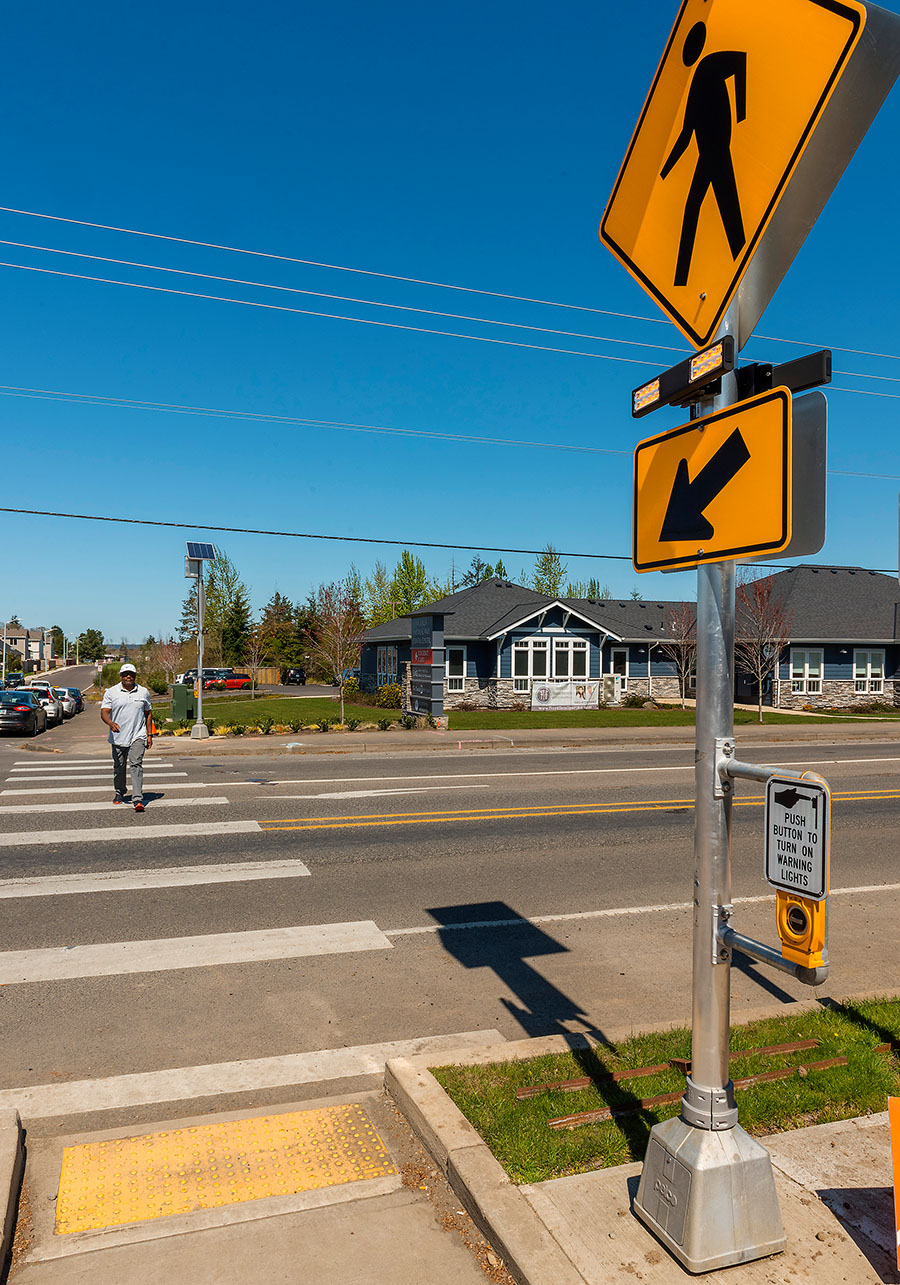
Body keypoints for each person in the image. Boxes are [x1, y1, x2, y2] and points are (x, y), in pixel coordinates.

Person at [100, 663, 153, 811]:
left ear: (135, 676)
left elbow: (148, 714)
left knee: (136, 764)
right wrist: (110, 723)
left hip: (138, 735)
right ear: (121, 676)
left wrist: (149, 735)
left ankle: (137, 799)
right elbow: (104, 711)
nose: (128, 676)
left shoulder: (143, 692)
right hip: (118, 736)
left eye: (131, 674)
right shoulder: (111, 692)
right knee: (119, 766)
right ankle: (119, 791)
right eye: (125, 674)